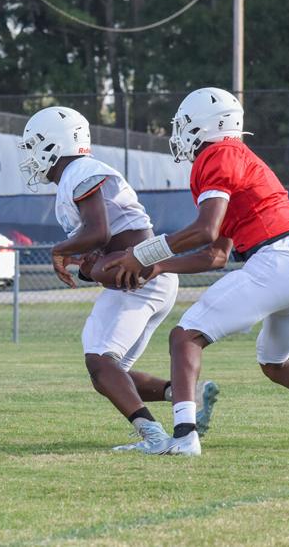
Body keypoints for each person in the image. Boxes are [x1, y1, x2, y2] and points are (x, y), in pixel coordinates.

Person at [100, 87, 289, 456]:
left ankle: (184, 437)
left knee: (185, 337)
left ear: (205, 126)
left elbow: (204, 231)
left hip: (276, 260)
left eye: (184, 125)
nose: (179, 133)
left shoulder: (217, 153)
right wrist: (160, 264)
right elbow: (215, 254)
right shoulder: (239, 157)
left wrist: (142, 254)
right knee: (275, 363)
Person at [18, 106, 217, 452]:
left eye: (35, 144)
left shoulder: (81, 170)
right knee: (110, 374)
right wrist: (84, 264)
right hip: (145, 275)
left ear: (53, 144)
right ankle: (182, 394)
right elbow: (99, 243)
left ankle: (154, 437)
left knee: (99, 360)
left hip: (140, 274)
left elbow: (98, 232)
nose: (32, 155)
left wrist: (59, 250)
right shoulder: (79, 174)